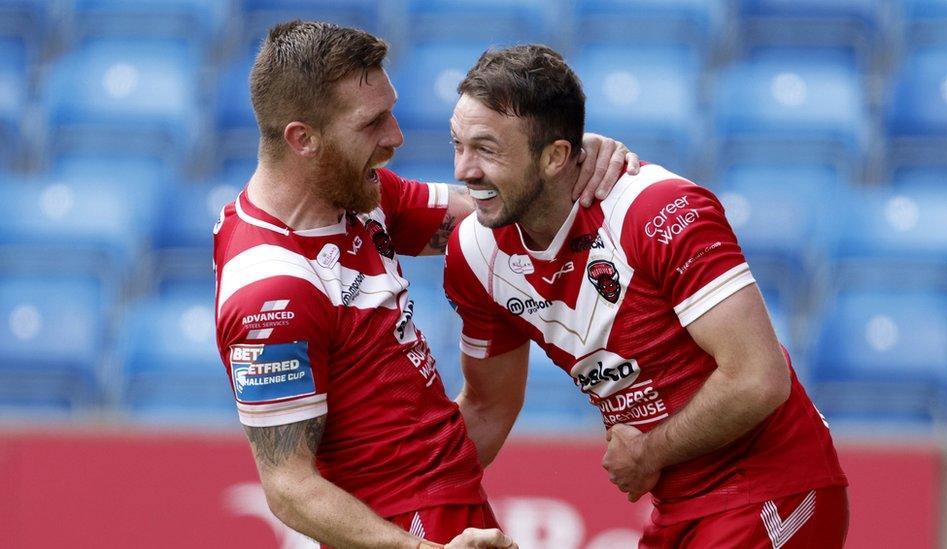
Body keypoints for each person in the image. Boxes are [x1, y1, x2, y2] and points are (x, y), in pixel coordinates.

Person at [213, 22, 639, 549]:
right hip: (402, 531)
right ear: (303, 139)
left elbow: (500, 210)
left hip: (447, 506)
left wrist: (560, 158)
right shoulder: (270, 291)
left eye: (390, 111)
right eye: (372, 123)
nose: (396, 135)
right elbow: (289, 488)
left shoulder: (354, 195)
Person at [443, 44, 850, 548]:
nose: (464, 169)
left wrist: (651, 452)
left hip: (771, 490)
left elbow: (759, 379)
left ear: (555, 157)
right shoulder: (475, 252)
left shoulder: (657, 209)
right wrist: (390, 509)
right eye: (457, 144)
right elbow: (487, 409)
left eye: (486, 149)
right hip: (677, 507)